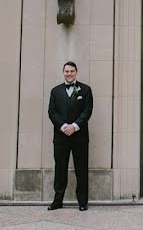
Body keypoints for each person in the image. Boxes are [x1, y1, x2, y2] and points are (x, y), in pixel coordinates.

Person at [47, 61, 93, 211]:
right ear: (63, 73)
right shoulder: (55, 91)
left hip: (79, 137)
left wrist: (74, 126)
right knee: (60, 169)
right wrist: (63, 126)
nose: (69, 74)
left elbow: (87, 111)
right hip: (60, 137)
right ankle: (57, 201)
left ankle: (82, 202)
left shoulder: (85, 90)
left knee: (81, 169)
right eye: (66, 71)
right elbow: (52, 112)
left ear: (76, 72)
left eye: (72, 71)